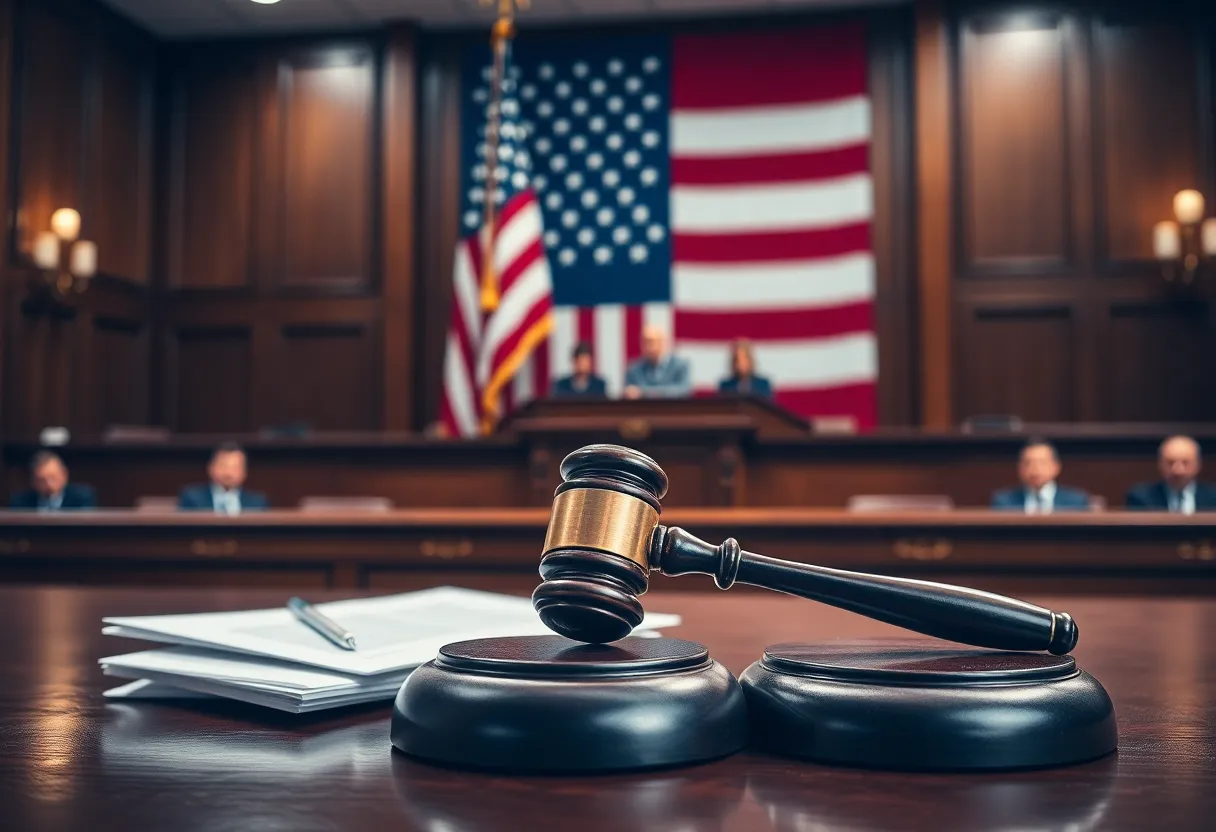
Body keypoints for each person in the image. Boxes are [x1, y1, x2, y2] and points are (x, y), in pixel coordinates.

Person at [991, 439, 1090, 513]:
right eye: (1028, 463)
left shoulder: (1075, 501)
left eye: (1042, 463)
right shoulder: (1005, 501)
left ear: (1056, 467)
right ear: (1020, 469)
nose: (1035, 469)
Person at [1126, 435, 1216, 513]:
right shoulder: (1142, 498)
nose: (1178, 470)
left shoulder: (1213, 498)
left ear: (1198, 465)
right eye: (1170, 462)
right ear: (1160, 464)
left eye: (1185, 463)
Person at [178, 442, 269, 515]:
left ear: (244, 472)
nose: (228, 473)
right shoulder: (193, 497)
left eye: (235, 468)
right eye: (223, 466)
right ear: (211, 468)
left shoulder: (257, 502)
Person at [9, 451, 97, 511]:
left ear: (64, 474)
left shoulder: (82, 497)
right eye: (42, 480)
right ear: (33, 481)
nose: (49, 484)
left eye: (53, 478)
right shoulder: (21, 502)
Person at [623, 325, 691, 399]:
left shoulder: (680, 366)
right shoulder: (634, 370)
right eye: (645, 342)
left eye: (651, 342)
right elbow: (629, 392)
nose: (648, 347)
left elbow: (683, 390)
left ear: (663, 342)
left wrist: (643, 392)